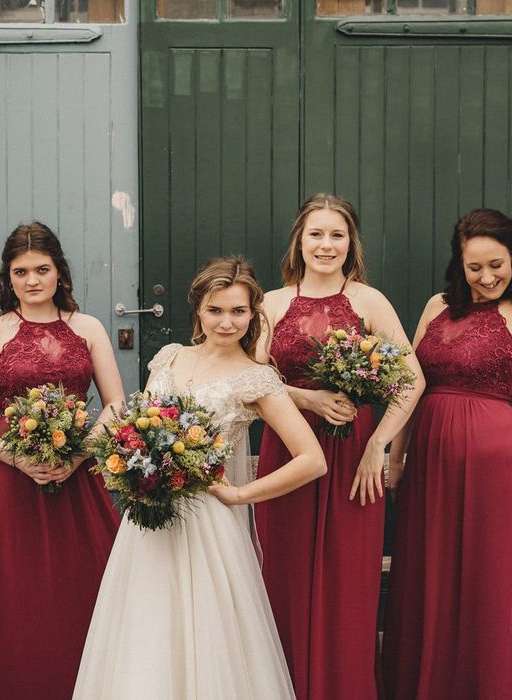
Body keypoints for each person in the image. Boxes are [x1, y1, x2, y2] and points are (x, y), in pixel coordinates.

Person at [73, 256, 328, 699]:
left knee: (208, 633)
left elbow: (312, 459)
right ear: (198, 310)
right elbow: (140, 425)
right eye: (215, 310)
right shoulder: (170, 357)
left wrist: (241, 493)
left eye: (238, 311)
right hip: (148, 518)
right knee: (146, 625)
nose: (226, 322)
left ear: (253, 315)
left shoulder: (257, 379)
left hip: (207, 521)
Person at [382, 167, 512, 700]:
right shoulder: (437, 308)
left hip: (493, 461)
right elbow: (409, 387)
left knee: (485, 579)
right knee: (427, 577)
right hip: (429, 459)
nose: (486, 277)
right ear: (457, 265)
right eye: (474, 267)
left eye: (496, 265)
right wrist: (397, 458)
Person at [254, 194, 424, 699]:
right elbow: (250, 377)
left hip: (353, 458)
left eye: (337, 235)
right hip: (286, 450)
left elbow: (410, 378)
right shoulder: (272, 302)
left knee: (347, 582)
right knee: (282, 574)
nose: (326, 245)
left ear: (351, 243)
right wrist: (307, 395)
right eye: (316, 234)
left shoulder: (369, 302)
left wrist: (379, 445)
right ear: (298, 241)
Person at [0, 222, 123, 700]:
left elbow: (116, 405)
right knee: (16, 594)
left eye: (41, 269)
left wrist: (79, 452)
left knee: (83, 584)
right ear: (8, 277)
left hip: (78, 473)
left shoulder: (88, 328)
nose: (31, 280)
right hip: (10, 476)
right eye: (20, 271)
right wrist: (17, 460)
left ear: (59, 272)